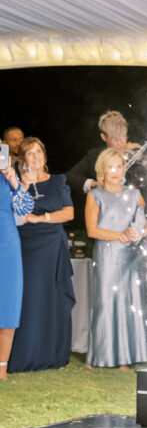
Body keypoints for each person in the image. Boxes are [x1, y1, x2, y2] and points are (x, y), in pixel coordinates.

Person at [9, 138, 75, 374]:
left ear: (45, 156)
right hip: (26, 246)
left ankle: (53, 355)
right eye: (29, 153)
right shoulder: (15, 181)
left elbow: (68, 212)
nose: (35, 157)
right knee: (28, 299)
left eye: (39, 152)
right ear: (22, 159)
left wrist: (42, 217)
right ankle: (23, 356)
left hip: (52, 245)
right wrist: (23, 187)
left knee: (52, 297)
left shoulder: (58, 181)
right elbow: (14, 212)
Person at [85, 148, 147, 369]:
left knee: (127, 303)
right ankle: (98, 357)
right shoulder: (95, 195)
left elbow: (145, 222)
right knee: (104, 302)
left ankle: (125, 358)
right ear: (102, 170)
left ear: (124, 169)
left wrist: (140, 232)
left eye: (119, 166)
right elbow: (92, 230)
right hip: (107, 255)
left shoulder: (135, 194)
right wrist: (120, 236)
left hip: (130, 256)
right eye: (110, 167)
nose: (115, 171)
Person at [66, 110, 141, 220]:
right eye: (115, 139)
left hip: (132, 217)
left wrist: (142, 159)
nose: (120, 143)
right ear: (104, 137)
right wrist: (94, 184)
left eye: (123, 137)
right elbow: (69, 177)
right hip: (104, 218)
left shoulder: (134, 154)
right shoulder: (93, 156)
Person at [0, 162, 34, 380]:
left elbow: (26, 208)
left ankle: (1, 370)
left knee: (7, 306)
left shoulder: (7, 177)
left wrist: (14, 180)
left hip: (7, 245)